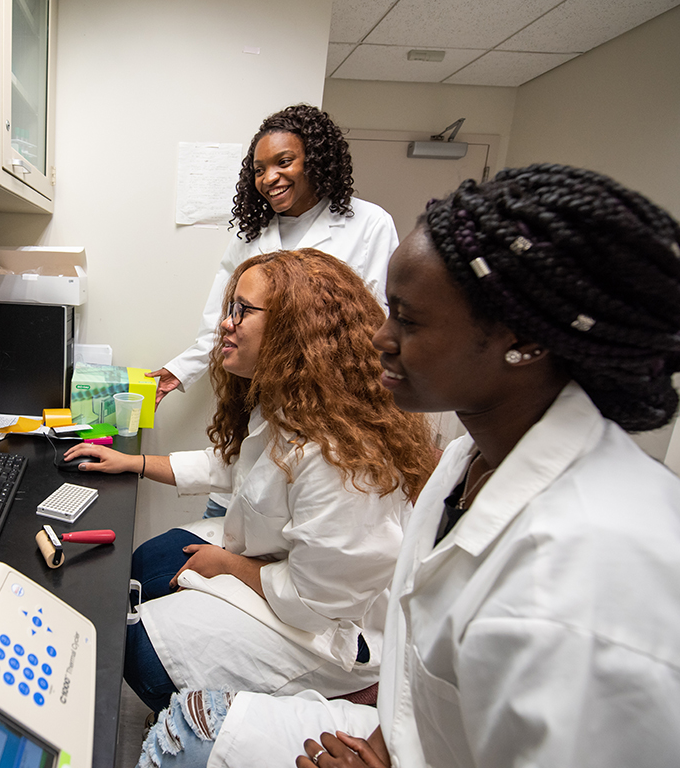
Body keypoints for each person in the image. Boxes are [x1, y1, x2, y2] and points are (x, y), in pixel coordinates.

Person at [132, 164, 680, 768]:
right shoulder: (471, 459)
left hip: (384, 701)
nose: (377, 338)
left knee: (183, 740)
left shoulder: (602, 568)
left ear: (524, 341)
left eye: (408, 321)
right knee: (184, 718)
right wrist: (384, 747)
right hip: (406, 732)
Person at [64, 249, 436, 713]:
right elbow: (236, 464)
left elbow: (314, 601)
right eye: (230, 308)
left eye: (243, 310)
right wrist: (134, 463)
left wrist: (227, 566)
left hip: (324, 628)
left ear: (294, 327)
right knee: (146, 564)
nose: (225, 323)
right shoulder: (291, 401)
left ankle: (202, 721)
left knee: (137, 651)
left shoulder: (341, 455)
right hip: (280, 561)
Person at [148, 104, 398, 409]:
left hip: (335, 394)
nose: (269, 178)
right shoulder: (252, 234)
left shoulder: (369, 223)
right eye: (259, 169)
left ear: (315, 160)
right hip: (263, 391)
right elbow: (223, 317)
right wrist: (181, 369)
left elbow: (376, 321)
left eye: (284, 162)